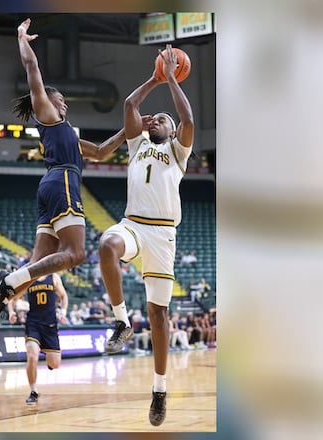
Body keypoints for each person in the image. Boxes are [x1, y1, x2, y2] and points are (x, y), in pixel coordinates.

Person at [0, 17, 127, 356]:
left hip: (50, 186)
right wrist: (22, 39)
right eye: (60, 99)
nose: (64, 103)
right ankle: (3, 282)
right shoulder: (48, 115)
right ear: (48, 100)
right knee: (77, 254)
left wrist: (127, 131)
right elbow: (32, 68)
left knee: (34, 268)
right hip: (62, 181)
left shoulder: (67, 135)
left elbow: (101, 151)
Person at [98, 44, 194, 426]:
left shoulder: (178, 152)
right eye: (154, 119)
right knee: (107, 245)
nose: (156, 121)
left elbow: (188, 118)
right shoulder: (137, 144)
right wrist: (154, 80)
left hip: (163, 235)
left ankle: (159, 389)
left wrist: (171, 78)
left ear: (172, 132)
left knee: (158, 314)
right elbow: (129, 105)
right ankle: (121, 322)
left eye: (163, 120)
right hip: (133, 225)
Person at [7, 272, 68, 406]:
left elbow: (63, 295)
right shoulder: (29, 279)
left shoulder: (53, 277)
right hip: (33, 323)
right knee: (32, 356)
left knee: (55, 364)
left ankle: (48, 357)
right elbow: (12, 298)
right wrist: (11, 312)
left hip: (50, 325)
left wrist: (63, 312)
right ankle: (33, 391)